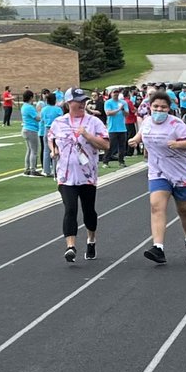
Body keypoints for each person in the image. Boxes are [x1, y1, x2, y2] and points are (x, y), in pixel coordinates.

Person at [127, 91, 186, 265]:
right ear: (150, 107)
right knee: (156, 206)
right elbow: (142, 133)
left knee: (185, 210)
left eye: (163, 107)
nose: (159, 110)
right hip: (158, 171)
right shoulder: (147, 122)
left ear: (169, 108)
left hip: (180, 172)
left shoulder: (176, 124)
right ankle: (158, 248)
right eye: (156, 107)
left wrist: (178, 144)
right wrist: (135, 140)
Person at [47, 88, 110, 263]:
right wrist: (54, 150)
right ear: (69, 103)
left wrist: (87, 135)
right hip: (65, 176)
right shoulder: (59, 122)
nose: (82, 104)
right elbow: (51, 138)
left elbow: (106, 145)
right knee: (70, 209)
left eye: (84, 101)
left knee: (88, 211)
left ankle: (91, 239)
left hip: (87, 175)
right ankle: (71, 246)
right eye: (78, 101)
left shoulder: (94, 122)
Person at [103, 89, 129, 167]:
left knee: (122, 146)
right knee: (111, 145)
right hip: (112, 128)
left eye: (117, 93)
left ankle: (121, 161)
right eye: (114, 93)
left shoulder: (123, 103)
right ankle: (105, 161)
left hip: (122, 128)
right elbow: (108, 113)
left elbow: (126, 114)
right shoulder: (108, 102)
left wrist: (123, 109)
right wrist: (118, 109)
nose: (116, 94)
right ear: (111, 94)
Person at [40, 92, 63, 178]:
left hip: (47, 129)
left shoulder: (44, 109)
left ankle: (46, 170)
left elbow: (42, 119)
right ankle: (56, 169)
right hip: (56, 130)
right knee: (56, 149)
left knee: (46, 150)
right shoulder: (58, 109)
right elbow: (62, 119)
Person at [20, 89, 41, 176]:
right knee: (34, 151)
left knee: (29, 150)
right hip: (31, 130)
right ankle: (33, 169)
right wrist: (40, 112)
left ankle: (27, 168)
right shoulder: (29, 107)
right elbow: (37, 118)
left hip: (25, 128)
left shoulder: (24, 106)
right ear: (30, 97)